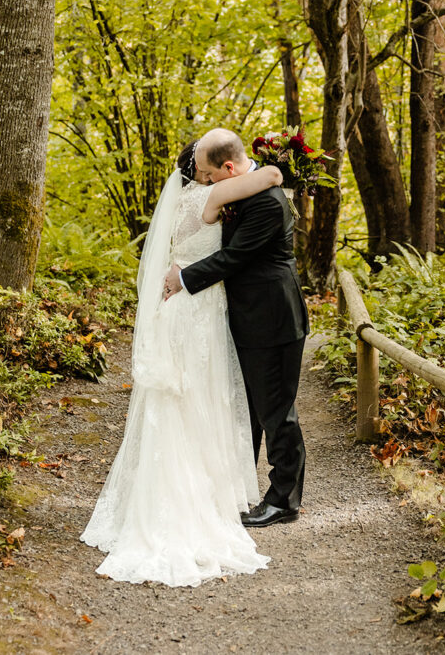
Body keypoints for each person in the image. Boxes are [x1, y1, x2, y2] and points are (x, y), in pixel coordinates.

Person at [79, 140, 281, 586]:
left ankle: (167, 493)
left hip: (182, 307)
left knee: (181, 403)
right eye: (208, 172)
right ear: (202, 172)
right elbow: (271, 177)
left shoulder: (183, 201)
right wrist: (268, 163)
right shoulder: (207, 197)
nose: (212, 178)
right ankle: (193, 499)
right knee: (200, 399)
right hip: (198, 309)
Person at [164, 128, 309, 527]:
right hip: (245, 317)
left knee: (277, 411)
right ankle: (241, 488)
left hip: (273, 318)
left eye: (211, 175)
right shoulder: (244, 188)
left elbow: (234, 257)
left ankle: (284, 500)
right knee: (248, 410)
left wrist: (185, 278)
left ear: (229, 167)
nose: (207, 181)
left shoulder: (266, 202)